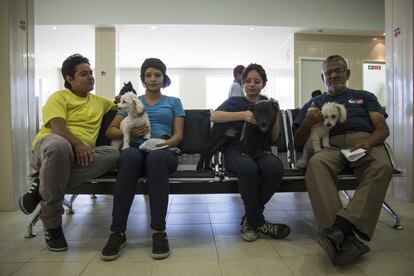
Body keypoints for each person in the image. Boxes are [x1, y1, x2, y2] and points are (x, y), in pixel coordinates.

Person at [293, 55, 393, 266]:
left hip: (364, 141)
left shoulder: (364, 96)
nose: (333, 75)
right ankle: (343, 237)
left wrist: (368, 142)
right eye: (328, 72)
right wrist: (309, 122)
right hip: (331, 144)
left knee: (382, 166)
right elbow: (298, 140)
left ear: (347, 74)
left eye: (338, 70)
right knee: (316, 164)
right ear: (323, 77)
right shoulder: (314, 103)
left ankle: (339, 230)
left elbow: (382, 128)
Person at [19, 54, 120, 251]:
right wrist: (78, 144)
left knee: (113, 154)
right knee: (60, 146)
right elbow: (57, 126)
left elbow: (121, 105)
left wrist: (121, 100)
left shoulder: (100, 102)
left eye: (91, 73)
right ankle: (52, 225)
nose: (91, 77)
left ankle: (42, 182)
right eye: (84, 74)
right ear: (69, 79)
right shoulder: (59, 97)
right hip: (50, 145)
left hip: (82, 156)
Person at [101, 58, 185, 261]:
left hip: (163, 151)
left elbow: (178, 136)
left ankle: (158, 231)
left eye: (158, 75)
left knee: (155, 160)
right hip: (136, 149)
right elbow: (110, 130)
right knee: (128, 156)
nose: (153, 79)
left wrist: (163, 145)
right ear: (143, 78)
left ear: (164, 78)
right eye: (148, 75)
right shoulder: (132, 101)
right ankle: (117, 232)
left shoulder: (174, 102)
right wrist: (131, 133)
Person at [212, 63, 290, 242]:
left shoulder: (268, 104)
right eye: (247, 81)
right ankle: (258, 221)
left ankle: (250, 219)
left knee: (275, 167)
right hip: (234, 151)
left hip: (260, 151)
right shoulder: (235, 101)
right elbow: (214, 116)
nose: (252, 84)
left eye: (257, 81)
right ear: (242, 83)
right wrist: (243, 115)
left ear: (264, 83)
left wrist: (276, 114)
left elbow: (273, 137)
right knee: (248, 168)